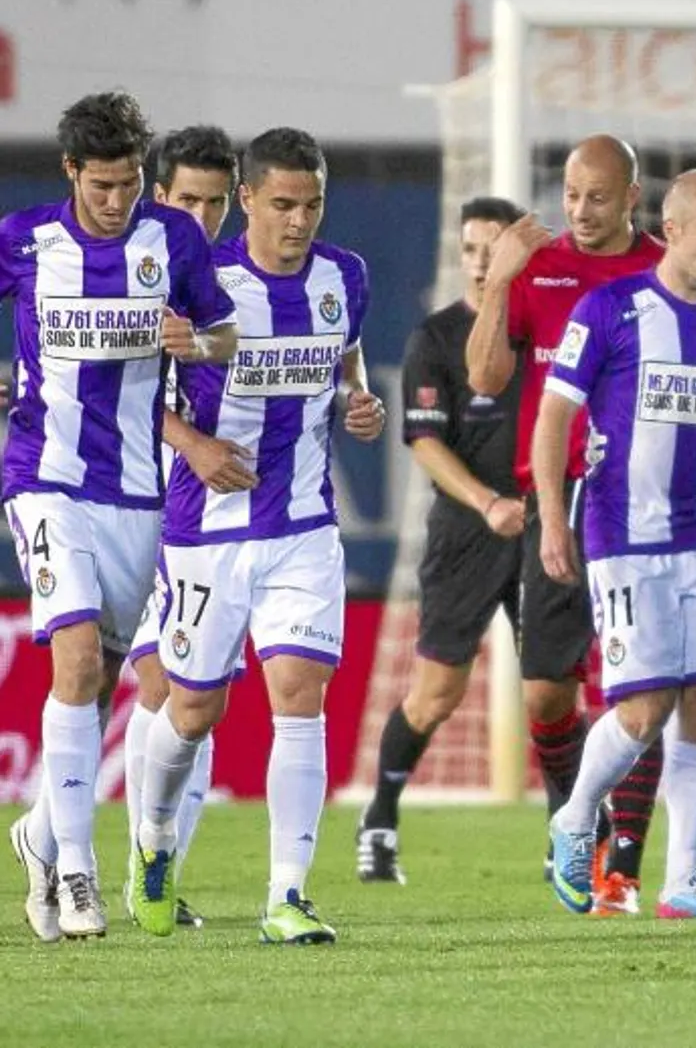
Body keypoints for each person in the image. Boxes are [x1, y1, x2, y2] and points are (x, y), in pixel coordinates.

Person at [127, 127, 386, 945]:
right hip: (205, 531)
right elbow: (130, 394)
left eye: (312, 204)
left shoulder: (345, 277)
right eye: (282, 204)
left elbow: (347, 363)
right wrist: (195, 444)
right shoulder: (199, 282)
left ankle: (288, 894)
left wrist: (359, 402)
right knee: (194, 707)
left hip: (304, 524)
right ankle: (154, 839)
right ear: (247, 200)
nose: (299, 220)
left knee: (300, 697)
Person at [3, 92, 238, 941]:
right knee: (72, 661)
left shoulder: (170, 239)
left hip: (136, 492)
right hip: (44, 477)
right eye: (102, 184)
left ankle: (38, 834)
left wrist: (195, 343)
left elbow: (224, 333)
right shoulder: (25, 239)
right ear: (70, 172)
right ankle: (76, 873)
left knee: (99, 679)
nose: (117, 200)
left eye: (131, 183)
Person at [535, 170, 696, 921]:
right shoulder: (610, 310)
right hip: (627, 537)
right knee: (644, 707)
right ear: (671, 228)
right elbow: (552, 418)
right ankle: (574, 819)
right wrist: (550, 516)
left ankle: (683, 881)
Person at [465, 136, 667, 910]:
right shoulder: (539, 267)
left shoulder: (661, 268)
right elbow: (486, 376)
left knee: (637, 687)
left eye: (598, 197)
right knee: (549, 695)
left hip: (640, 500)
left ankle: (624, 867)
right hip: (557, 500)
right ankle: (570, 816)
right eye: (572, 195)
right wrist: (500, 281)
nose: (579, 212)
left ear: (632, 198)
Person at [355, 195, 527, 887]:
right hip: (467, 532)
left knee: (553, 692)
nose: (483, 262)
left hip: (544, 526)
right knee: (436, 694)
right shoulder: (437, 337)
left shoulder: (545, 329)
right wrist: (487, 502)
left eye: (496, 247)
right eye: (471, 249)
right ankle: (380, 818)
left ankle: (574, 839)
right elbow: (423, 441)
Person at [118, 124, 246, 931]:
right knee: (162, 685)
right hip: (125, 501)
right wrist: (190, 442)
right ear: (157, 195)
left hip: (209, 516)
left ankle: (154, 865)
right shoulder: (118, 269)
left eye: (216, 200)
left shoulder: (233, 282)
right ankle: (131, 865)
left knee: (197, 698)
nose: (201, 215)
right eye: (186, 198)